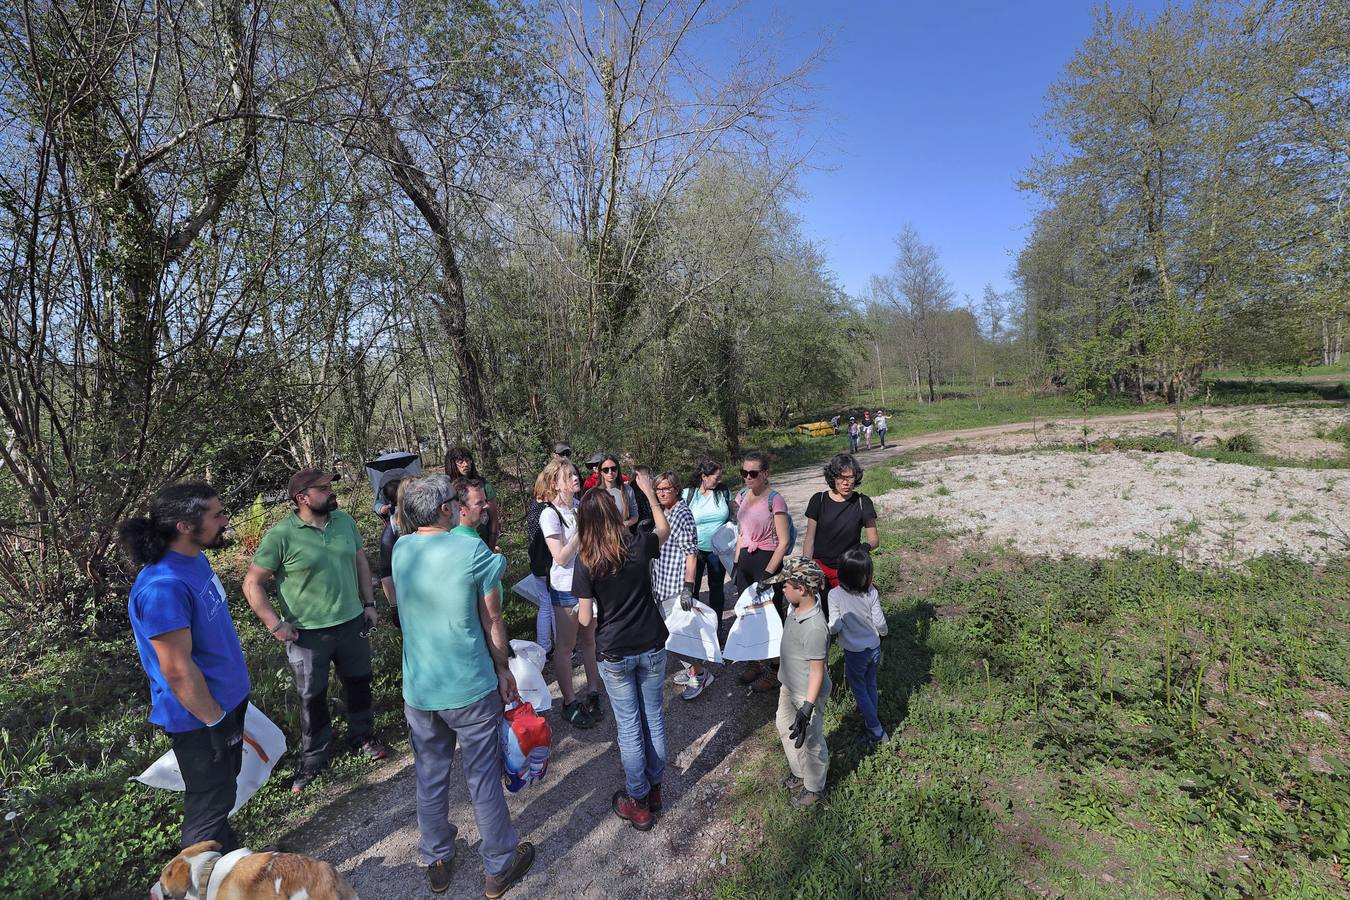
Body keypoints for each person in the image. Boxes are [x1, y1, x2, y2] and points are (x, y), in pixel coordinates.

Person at [391, 474, 535, 896]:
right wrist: (504, 669)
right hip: (469, 687)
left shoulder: (402, 549)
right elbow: (493, 620)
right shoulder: (470, 548)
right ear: (443, 510)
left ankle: (437, 855)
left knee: (430, 775)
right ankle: (498, 867)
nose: (459, 505)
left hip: (420, 690)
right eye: (454, 500)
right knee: (482, 779)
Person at [120, 482, 250, 853]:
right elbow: (177, 670)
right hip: (201, 719)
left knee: (223, 793)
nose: (225, 520)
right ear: (184, 525)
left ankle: (225, 868)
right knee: (208, 806)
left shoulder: (195, 559)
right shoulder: (163, 586)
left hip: (224, 705)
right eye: (216, 514)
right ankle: (193, 880)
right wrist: (215, 722)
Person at [243, 468, 388, 792]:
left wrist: (369, 603)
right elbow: (251, 583)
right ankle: (314, 758)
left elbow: (360, 562)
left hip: (352, 623)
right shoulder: (281, 536)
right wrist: (274, 624)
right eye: (323, 489)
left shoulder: (345, 523)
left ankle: (363, 737)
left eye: (329, 487)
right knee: (312, 697)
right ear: (302, 498)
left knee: (359, 682)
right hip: (307, 635)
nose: (330, 492)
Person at [574, 471, 671, 831]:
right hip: (651, 642)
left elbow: (585, 618)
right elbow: (664, 530)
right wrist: (649, 493)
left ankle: (639, 800)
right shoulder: (639, 543)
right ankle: (655, 789)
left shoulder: (586, 561)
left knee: (630, 728)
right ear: (616, 514)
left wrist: (587, 609)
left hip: (614, 650)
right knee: (654, 719)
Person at [538, 458, 603, 728]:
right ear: (556, 483)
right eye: (569, 476)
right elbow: (561, 557)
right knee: (565, 649)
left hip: (588, 586)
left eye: (575, 474)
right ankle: (568, 702)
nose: (576, 478)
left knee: (590, 642)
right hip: (565, 589)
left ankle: (593, 692)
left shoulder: (579, 507)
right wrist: (582, 528)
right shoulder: (549, 514)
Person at [761, 557, 831, 808]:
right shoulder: (796, 608)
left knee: (811, 740)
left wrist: (807, 707)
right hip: (788, 684)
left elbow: (817, 671)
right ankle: (799, 772)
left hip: (806, 694)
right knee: (784, 725)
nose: (782, 589)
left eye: (786, 585)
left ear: (802, 589)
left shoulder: (815, 627)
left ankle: (814, 788)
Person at [731, 450, 791, 693]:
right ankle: (755, 662)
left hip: (767, 561)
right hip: (745, 560)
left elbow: (784, 542)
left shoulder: (775, 500)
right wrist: (735, 563)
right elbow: (741, 532)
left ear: (765, 474)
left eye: (753, 473)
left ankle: (777, 670)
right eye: (744, 472)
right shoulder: (742, 496)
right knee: (747, 614)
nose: (748, 477)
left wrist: (768, 573)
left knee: (772, 615)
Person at [650, 471, 712, 700]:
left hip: (675, 586)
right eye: (658, 489)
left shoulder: (682, 514)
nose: (662, 492)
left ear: (676, 490)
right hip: (661, 584)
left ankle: (701, 674)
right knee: (673, 635)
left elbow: (691, 554)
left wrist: (688, 587)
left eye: (666, 488)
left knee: (678, 636)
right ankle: (692, 669)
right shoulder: (664, 512)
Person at [828, 544, 888, 747]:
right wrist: (884, 634)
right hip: (874, 648)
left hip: (854, 653)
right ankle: (872, 718)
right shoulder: (871, 591)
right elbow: (879, 622)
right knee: (871, 684)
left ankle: (876, 729)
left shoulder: (834, 595)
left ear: (841, 573)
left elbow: (835, 627)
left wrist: (829, 628)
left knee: (859, 689)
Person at [802, 453, 880, 602]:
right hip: (820, 568)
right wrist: (807, 567)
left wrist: (864, 548)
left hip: (848, 569)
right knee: (822, 610)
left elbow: (874, 540)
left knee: (855, 611)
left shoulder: (863, 502)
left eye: (850, 477)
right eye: (841, 477)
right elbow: (809, 539)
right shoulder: (818, 500)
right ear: (833, 477)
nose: (846, 483)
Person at [683, 459, 734, 622]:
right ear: (704, 476)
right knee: (693, 589)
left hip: (718, 550)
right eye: (716, 477)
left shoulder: (724, 491)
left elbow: (736, 513)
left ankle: (716, 626)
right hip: (693, 551)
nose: (719, 480)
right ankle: (695, 627)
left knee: (717, 589)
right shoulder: (688, 494)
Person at [525, 469, 555, 655]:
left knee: (545, 604)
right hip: (547, 563)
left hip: (537, 561)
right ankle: (559, 644)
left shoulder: (533, 506)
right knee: (553, 605)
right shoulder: (547, 509)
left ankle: (544, 646)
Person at [447, 447, 500, 549]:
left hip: (482, 543)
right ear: (452, 464)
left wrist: (491, 548)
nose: (465, 464)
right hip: (455, 545)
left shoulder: (484, 486)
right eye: (460, 461)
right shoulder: (446, 489)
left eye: (467, 460)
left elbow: (494, 520)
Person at [375, 477, 405, 628]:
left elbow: (385, 571)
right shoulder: (393, 526)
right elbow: (386, 569)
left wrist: (394, 607)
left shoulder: (428, 519)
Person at [596, 454, 638, 531]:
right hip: (603, 539)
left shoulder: (627, 490)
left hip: (624, 537)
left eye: (613, 468)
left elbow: (635, 516)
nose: (610, 472)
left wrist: (624, 524)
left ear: (618, 470)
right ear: (601, 472)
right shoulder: (595, 493)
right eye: (606, 470)